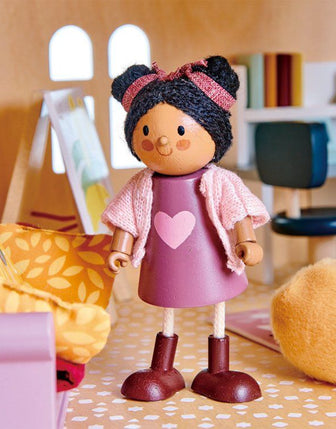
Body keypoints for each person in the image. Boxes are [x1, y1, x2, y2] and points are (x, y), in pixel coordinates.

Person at [102, 56, 269, 402]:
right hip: (165, 263)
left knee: (218, 310)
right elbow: (126, 217)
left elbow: (237, 210)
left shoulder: (220, 181)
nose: (163, 143)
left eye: (179, 132)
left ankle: (218, 372)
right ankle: (163, 370)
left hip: (212, 260)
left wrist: (247, 241)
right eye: (146, 133)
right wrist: (120, 247)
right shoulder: (142, 184)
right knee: (169, 312)